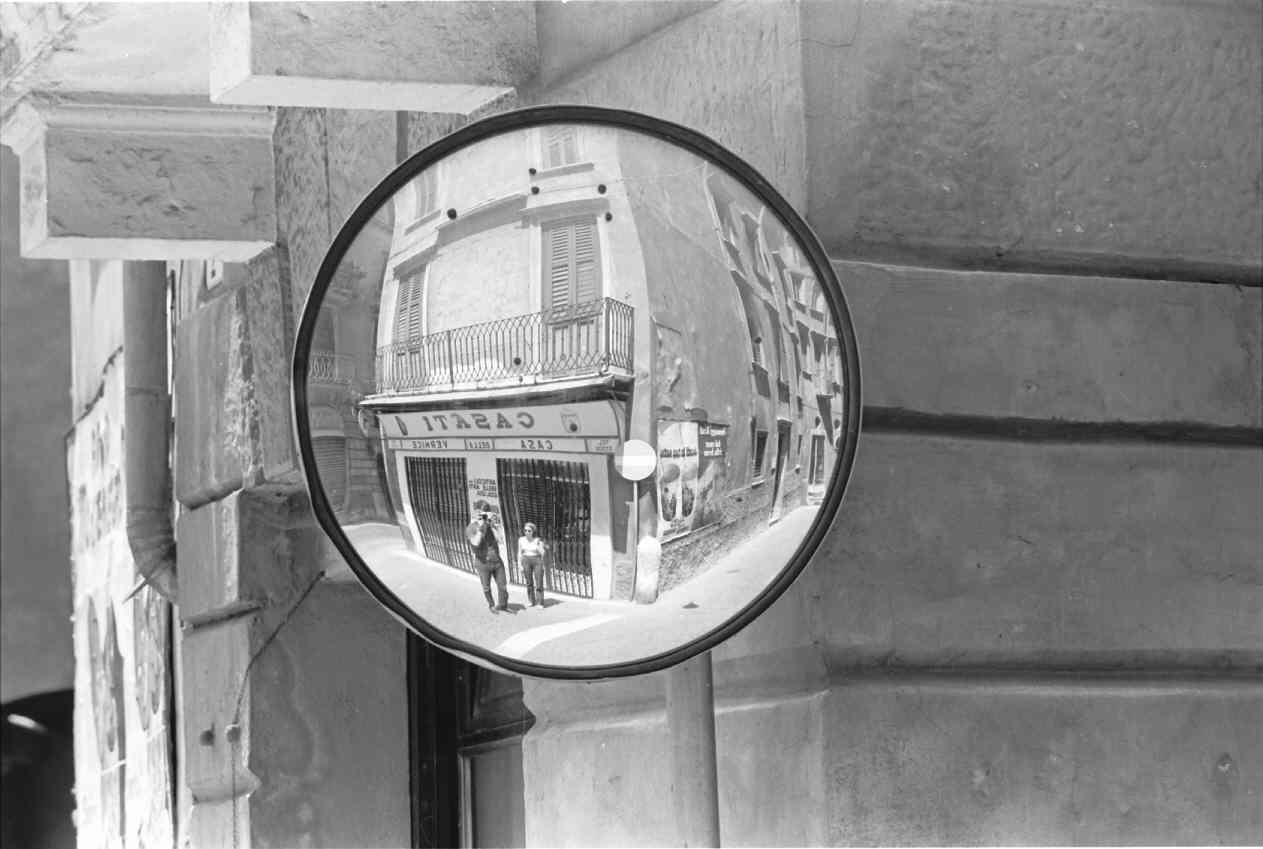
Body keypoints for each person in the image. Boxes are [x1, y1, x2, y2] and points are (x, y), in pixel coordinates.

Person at [466, 507, 508, 613]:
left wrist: (493, 526)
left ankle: (503, 605)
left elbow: (500, 540)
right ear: (474, 516)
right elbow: (475, 543)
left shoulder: (489, 526)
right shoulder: (471, 528)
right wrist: (481, 527)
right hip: (482, 564)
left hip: (497, 562)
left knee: (502, 586)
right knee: (486, 587)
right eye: (479, 515)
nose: (482, 517)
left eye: (483, 515)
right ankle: (491, 605)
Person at [517, 523, 548, 607]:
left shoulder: (537, 540)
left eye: (529, 531)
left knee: (539, 581)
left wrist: (539, 546)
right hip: (525, 560)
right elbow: (519, 553)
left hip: (537, 560)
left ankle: (540, 602)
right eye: (525, 530)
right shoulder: (521, 540)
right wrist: (519, 565)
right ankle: (531, 601)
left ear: (533, 531)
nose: (527, 532)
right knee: (529, 582)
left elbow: (543, 553)